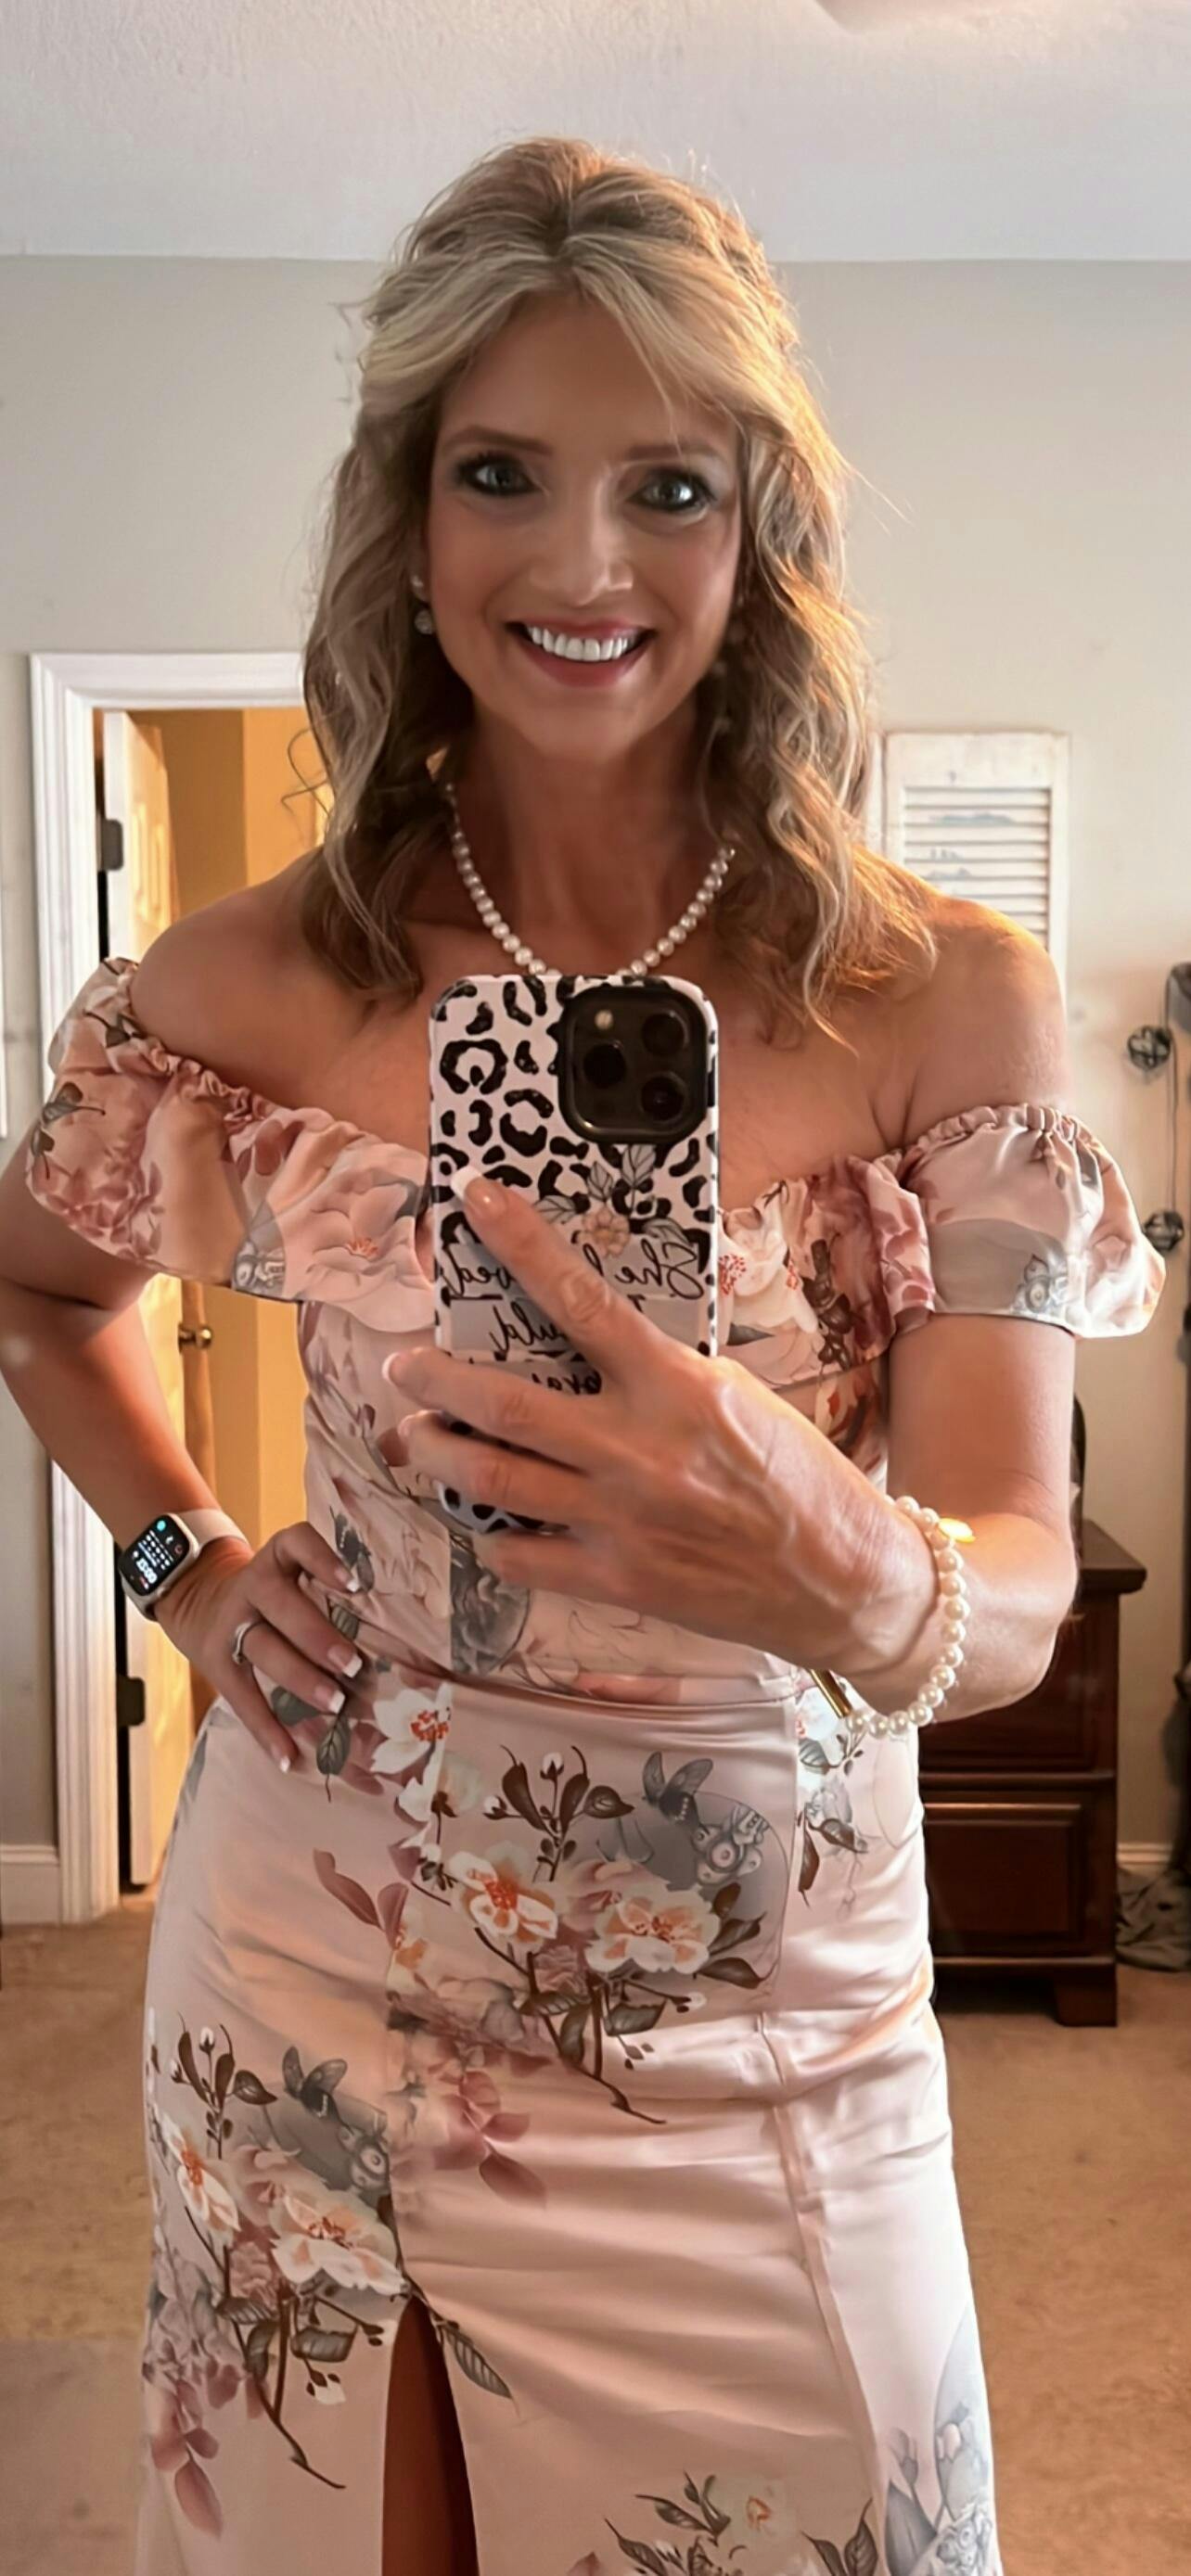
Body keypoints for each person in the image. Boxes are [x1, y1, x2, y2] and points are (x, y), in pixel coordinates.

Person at [0, 134, 1166, 2576]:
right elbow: (35, 1286)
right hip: (309, 1956)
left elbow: (1019, 1580)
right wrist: (189, 1567)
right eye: (500, 474)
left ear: (759, 534)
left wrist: (832, 1550)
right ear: (406, 519)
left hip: (764, 2022)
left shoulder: (935, 996)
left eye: (668, 486)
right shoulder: (247, 981)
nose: (582, 564)